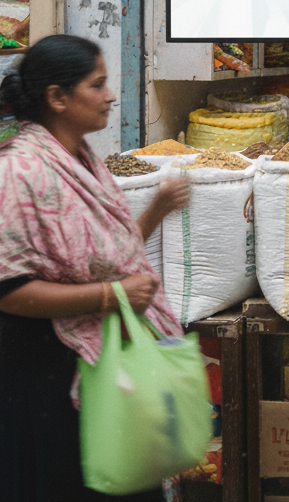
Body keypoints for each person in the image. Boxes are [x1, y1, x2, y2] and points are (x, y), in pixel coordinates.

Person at [0, 34, 189, 502]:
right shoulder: (20, 171)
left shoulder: (83, 161)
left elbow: (98, 256)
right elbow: (9, 290)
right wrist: (113, 297)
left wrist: (155, 214)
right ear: (57, 97)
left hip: (97, 364)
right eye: (97, 84)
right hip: (46, 372)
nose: (110, 96)